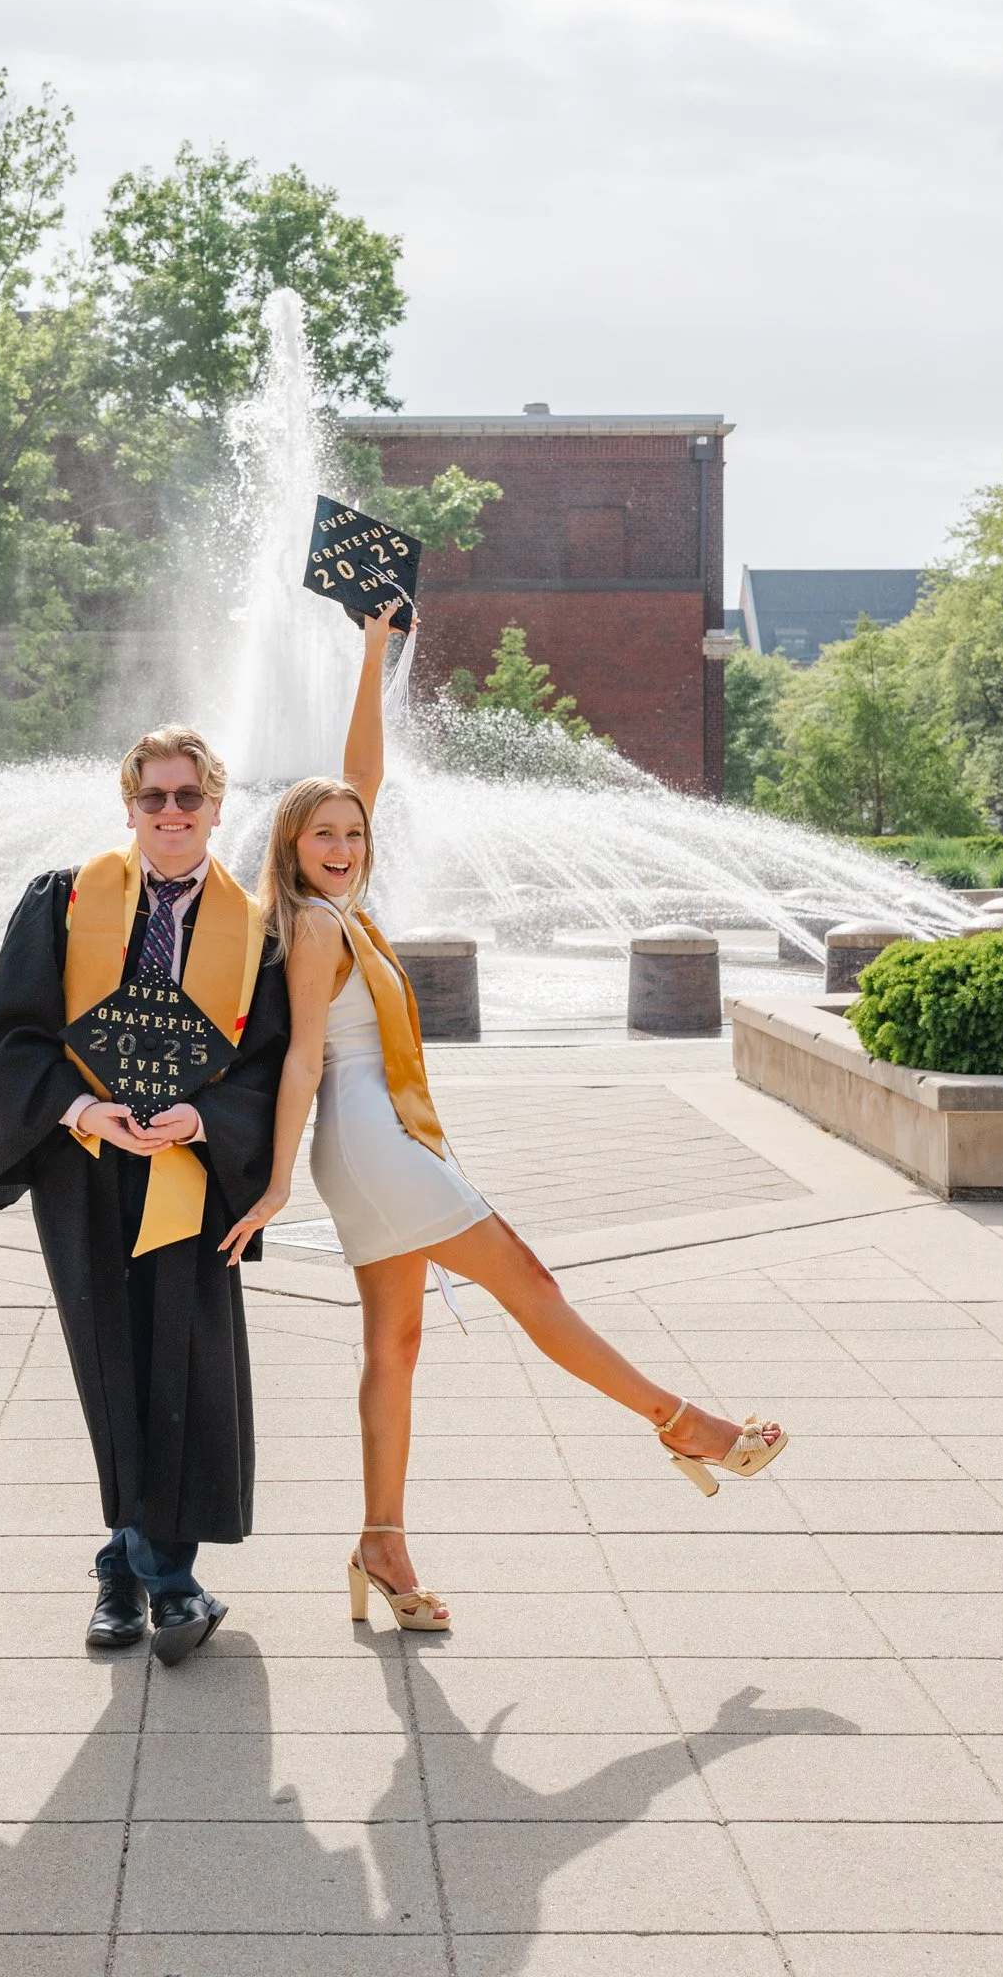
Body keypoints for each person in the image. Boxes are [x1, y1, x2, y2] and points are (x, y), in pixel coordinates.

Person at [222, 607, 788, 1633]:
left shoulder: (341, 906)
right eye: (324, 834)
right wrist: (274, 1184)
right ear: (290, 845)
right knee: (529, 1284)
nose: (345, 845)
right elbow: (302, 1054)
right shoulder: (311, 926)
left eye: (353, 833)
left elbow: (362, 774)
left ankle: (382, 1544)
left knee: (395, 1345)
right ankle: (684, 1423)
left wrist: (372, 653)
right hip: (370, 1146)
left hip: (380, 1143)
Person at [0, 725, 290, 1665]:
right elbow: (11, 1038)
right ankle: (158, 1580)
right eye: (154, 796)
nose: (171, 812)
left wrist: (204, 1119)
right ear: (129, 808)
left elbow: (269, 1064)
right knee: (112, 1366)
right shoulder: (67, 900)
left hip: (193, 1174)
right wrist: (83, 1110)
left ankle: (140, 1574)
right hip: (86, 1167)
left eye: (189, 796)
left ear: (216, 808)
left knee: (183, 1368)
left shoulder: (256, 928)